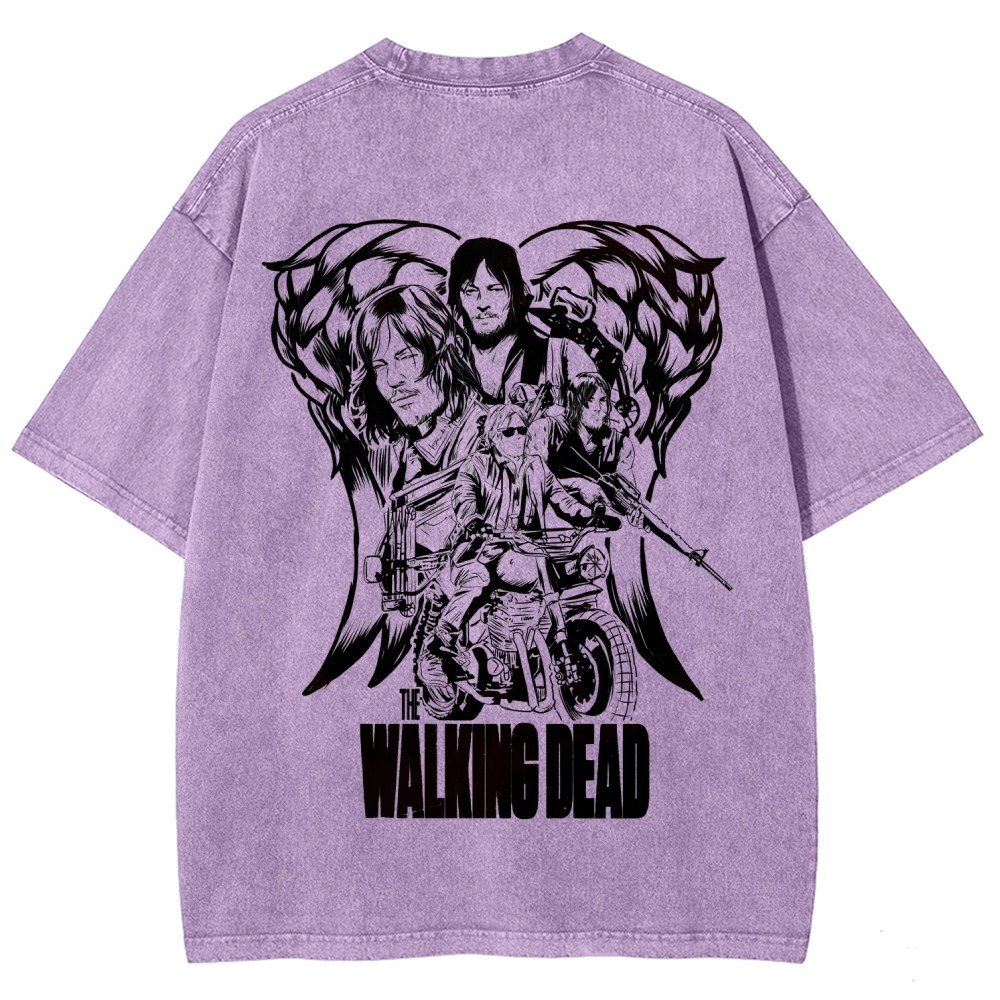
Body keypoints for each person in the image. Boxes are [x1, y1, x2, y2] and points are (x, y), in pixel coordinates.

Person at [424, 404, 615, 688]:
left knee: (556, 572)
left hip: (526, 548)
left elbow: (561, 499)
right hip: (482, 550)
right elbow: (464, 498)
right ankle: (444, 638)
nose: (517, 436)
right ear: (493, 436)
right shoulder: (477, 465)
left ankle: (537, 639)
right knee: (478, 579)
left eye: (522, 430)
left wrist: (590, 515)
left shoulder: (535, 465)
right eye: (509, 431)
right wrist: (475, 521)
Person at [349, 284, 487, 489]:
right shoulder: (406, 461)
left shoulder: (496, 435)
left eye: (406, 356)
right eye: (380, 366)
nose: (391, 380)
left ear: (454, 349)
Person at [446, 239, 551, 403]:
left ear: (516, 293)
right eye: (470, 291)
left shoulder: (554, 356)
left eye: (495, 289)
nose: (482, 304)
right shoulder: (447, 362)